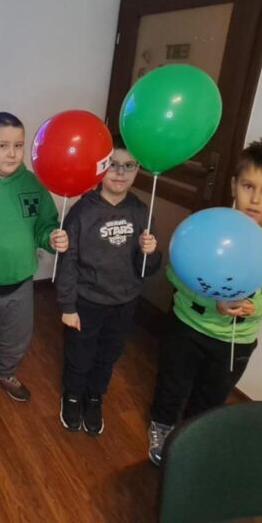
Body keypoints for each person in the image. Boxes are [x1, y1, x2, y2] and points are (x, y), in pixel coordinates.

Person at [147, 138, 262, 465]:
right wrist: (211, 296)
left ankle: (193, 438)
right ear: (233, 185)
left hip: (235, 339)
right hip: (187, 326)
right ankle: (162, 426)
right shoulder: (207, 226)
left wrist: (255, 306)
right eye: (248, 186)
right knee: (172, 383)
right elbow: (176, 272)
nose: (255, 199)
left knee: (211, 395)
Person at [0, 111, 68, 413]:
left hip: (22, 280)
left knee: (18, 336)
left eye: (18, 145)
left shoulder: (32, 182)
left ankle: (5, 372)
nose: (12, 153)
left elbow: (44, 224)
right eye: (3, 145)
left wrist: (51, 237)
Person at [55, 141, 160, 435]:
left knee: (108, 355)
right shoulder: (81, 211)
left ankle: (94, 396)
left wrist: (150, 252)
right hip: (86, 301)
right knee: (79, 354)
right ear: (101, 168)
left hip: (124, 302)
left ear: (138, 170)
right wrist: (68, 306)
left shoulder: (141, 211)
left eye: (129, 166)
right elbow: (68, 261)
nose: (120, 172)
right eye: (113, 164)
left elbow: (148, 268)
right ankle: (72, 395)